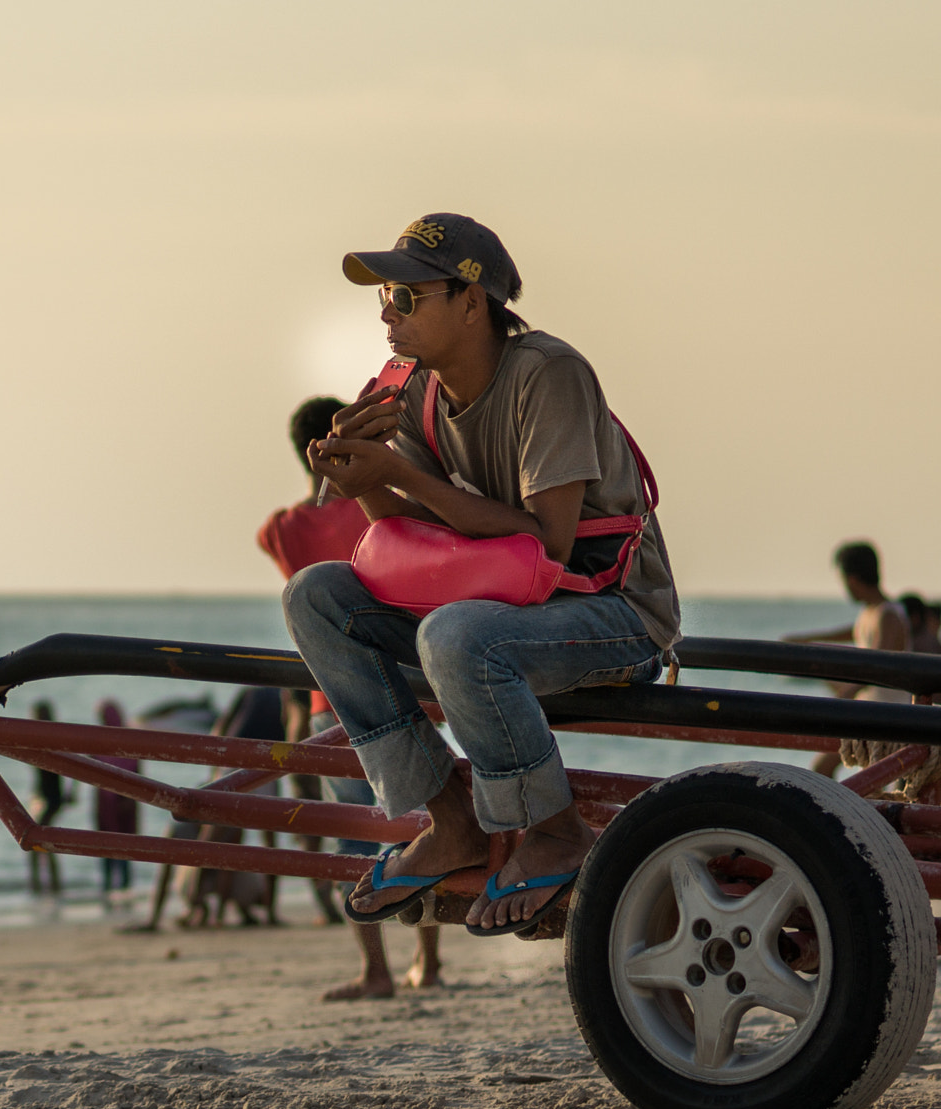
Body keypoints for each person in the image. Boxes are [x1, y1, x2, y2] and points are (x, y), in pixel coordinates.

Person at [282, 213, 680, 937]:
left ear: (471, 301)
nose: (387, 313)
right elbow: (413, 537)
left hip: (613, 616)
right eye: (384, 298)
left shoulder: (547, 374)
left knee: (458, 636)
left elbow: (549, 545)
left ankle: (554, 829)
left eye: (407, 297)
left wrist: (397, 469)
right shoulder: (416, 392)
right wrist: (361, 475)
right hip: (494, 613)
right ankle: (449, 819)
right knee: (314, 595)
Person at [260, 396, 444, 994]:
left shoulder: (287, 528)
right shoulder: (384, 512)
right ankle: (429, 961)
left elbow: (273, 542)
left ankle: (376, 969)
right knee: (423, 823)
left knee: (352, 837)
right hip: (407, 679)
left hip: (330, 699)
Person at [784, 542, 911, 771]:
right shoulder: (871, 611)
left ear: (851, 579)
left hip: (885, 716)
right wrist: (806, 641)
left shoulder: (889, 616)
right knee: (832, 772)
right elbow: (853, 632)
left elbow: (876, 666)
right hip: (867, 712)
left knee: (827, 770)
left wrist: (845, 695)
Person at [93, 699, 139, 895]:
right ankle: (107, 887)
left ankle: (125, 888)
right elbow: (86, 769)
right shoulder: (97, 740)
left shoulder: (128, 739)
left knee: (126, 846)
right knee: (104, 844)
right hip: (105, 801)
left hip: (124, 800)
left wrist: (131, 799)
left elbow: (137, 774)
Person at [27, 700, 69, 894]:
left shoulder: (51, 739)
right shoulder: (41, 739)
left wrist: (68, 793)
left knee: (39, 842)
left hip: (52, 798)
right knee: (40, 842)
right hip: (44, 797)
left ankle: (45, 886)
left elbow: (67, 767)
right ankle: (47, 885)